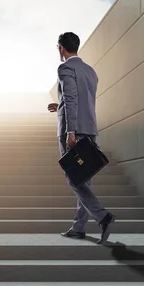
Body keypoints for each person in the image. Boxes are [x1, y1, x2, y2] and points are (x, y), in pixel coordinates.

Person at [47, 31, 115, 244]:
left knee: (73, 177)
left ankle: (103, 216)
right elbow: (80, 99)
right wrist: (59, 106)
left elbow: (71, 97)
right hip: (90, 129)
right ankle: (79, 227)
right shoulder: (90, 71)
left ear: (61, 48)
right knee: (84, 178)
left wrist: (70, 131)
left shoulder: (65, 67)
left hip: (73, 130)